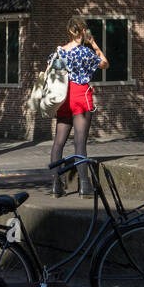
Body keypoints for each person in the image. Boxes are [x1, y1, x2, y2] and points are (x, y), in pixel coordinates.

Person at [48, 16, 108, 197]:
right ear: (83, 31)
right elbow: (105, 63)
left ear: (69, 31)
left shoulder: (59, 52)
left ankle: (56, 185)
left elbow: (52, 70)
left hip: (63, 98)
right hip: (80, 97)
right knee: (79, 143)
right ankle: (84, 186)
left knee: (58, 142)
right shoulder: (85, 52)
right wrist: (94, 44)